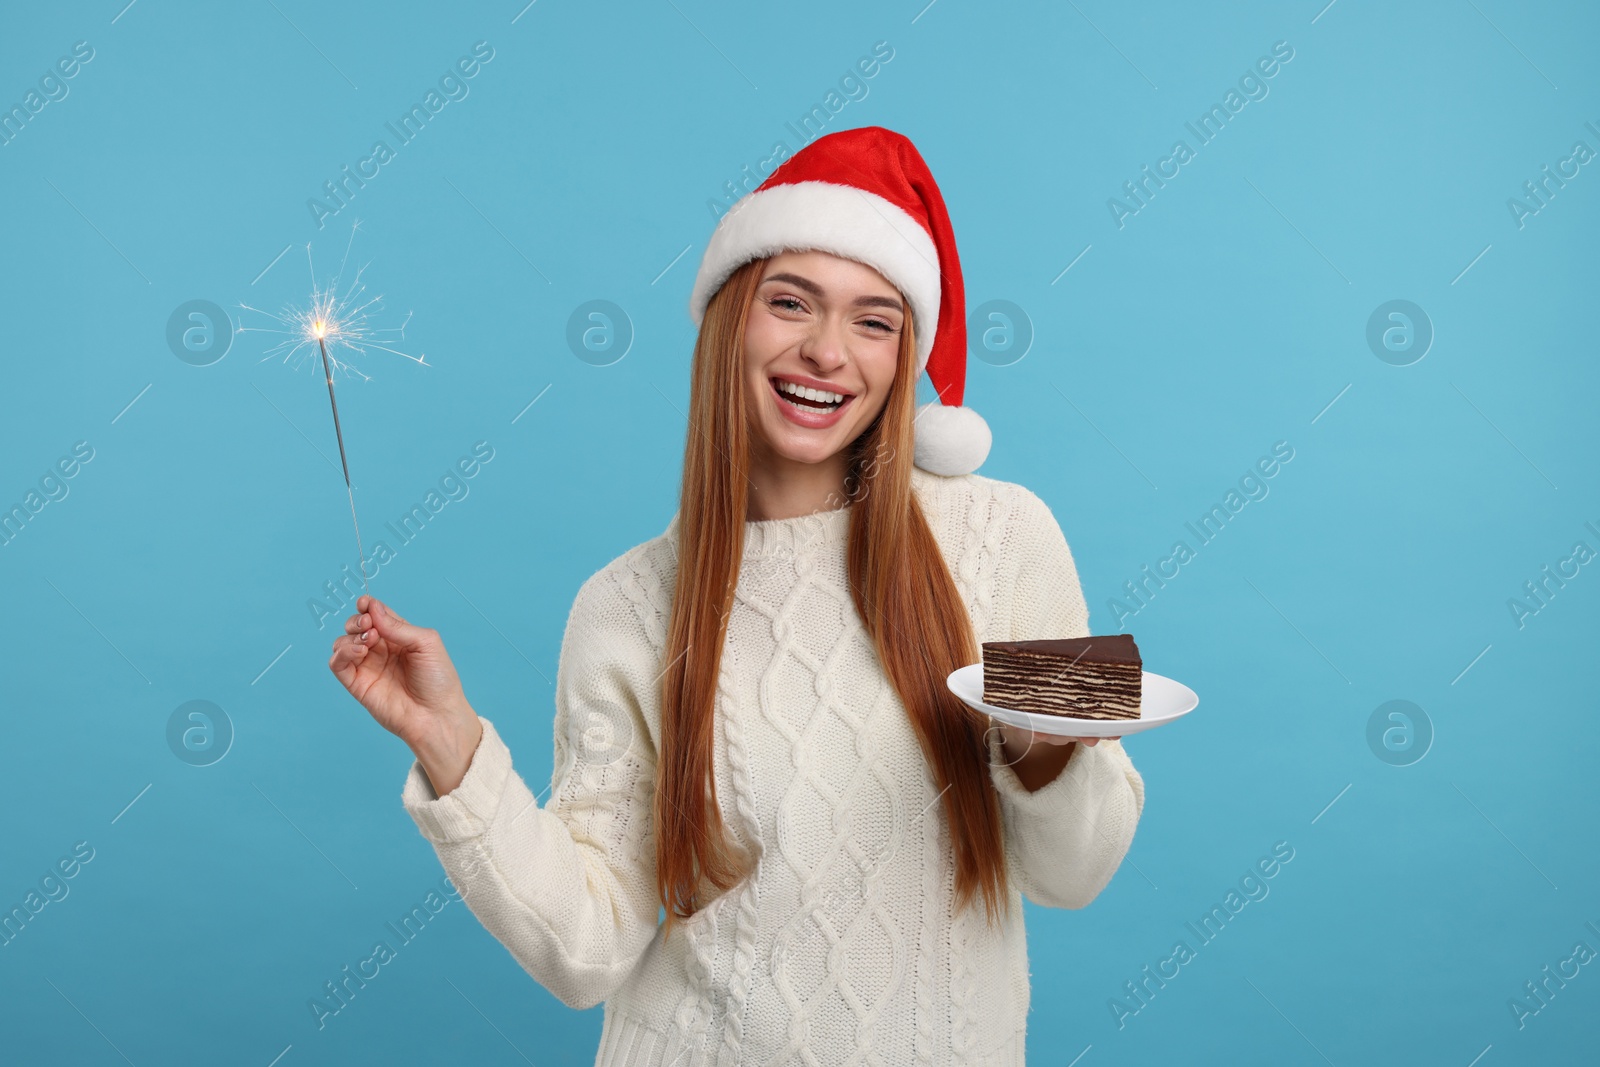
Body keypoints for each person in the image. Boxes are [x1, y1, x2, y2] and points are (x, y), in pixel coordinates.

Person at [328, 126, 1143, 1065]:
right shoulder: (624, 605)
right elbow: (586, 947)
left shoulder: (1008, 534)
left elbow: (1080, 870)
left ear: (903, 354)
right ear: (729, 319)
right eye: (790, 302)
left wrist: (1044, 741)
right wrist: (449, 743)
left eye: (874, 320)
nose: (828, 351)